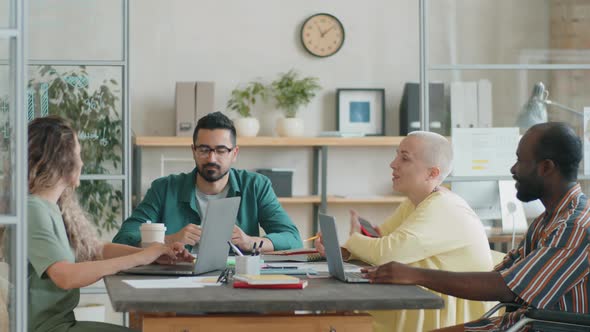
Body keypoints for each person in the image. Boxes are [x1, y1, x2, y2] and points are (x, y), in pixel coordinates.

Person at [362, 122, 590, 332]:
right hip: (515, 323)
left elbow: (506, 287)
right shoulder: (547, 220)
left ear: (546, 168)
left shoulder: (576, 227)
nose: (512, 169)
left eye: (520, 160)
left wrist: (415, 275)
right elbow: (502, 274)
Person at [315, 131, 495, 332]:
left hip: (445, 319)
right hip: (418, 305)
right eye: (396, 155)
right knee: (334, 317)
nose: (393, 164)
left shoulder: (445, 207)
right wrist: (344, 251)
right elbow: (381, 237)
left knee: (336, 321)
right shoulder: (415, 202)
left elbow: (386, 253)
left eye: (405, 158)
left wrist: (353, 240)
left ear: (432, 173)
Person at [27, 116, 192, 332]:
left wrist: (154, 254)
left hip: (61, 324)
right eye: (78, 154)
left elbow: (96, 250)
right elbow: (65, 276)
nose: (82, 162)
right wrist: (138, 258)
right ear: (61, 159)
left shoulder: (53, 207)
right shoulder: (33, 210)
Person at [113, 112, 302, 253]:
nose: (212, 158)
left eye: (221, 150)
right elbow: (123, 239)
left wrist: (249, 241)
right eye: (204, 149)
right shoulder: (164, 188)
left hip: (236, 284)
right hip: (176, 282)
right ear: (193, 151)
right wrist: (170, 239)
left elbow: (292, 238)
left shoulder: (256, 186)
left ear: (234, 153)